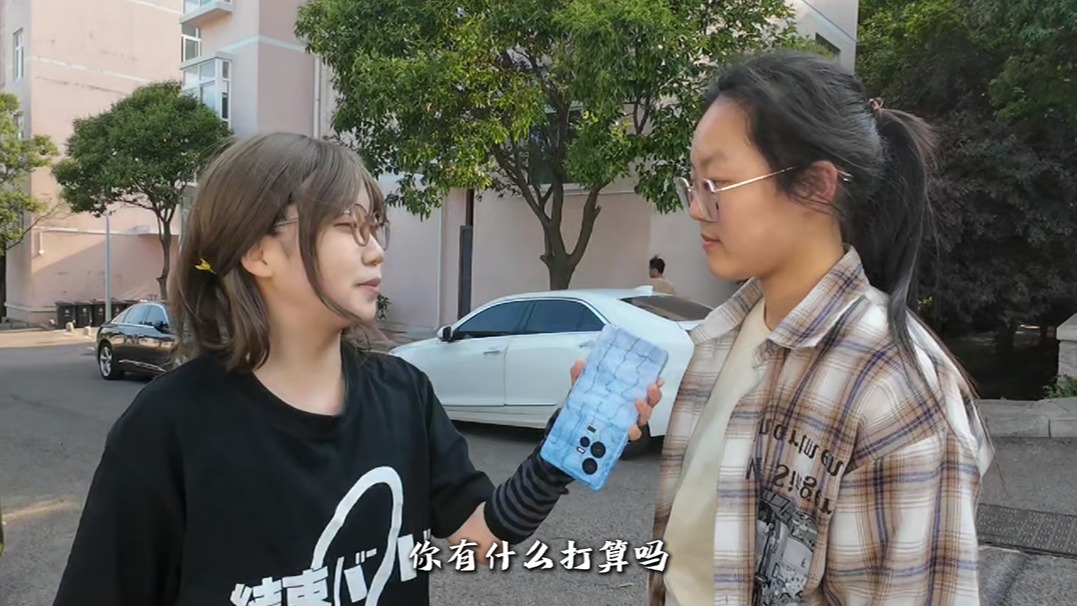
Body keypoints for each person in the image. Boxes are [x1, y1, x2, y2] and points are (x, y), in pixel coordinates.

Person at [52, 132, 661, 606]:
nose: (376, 251)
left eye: (375, 229)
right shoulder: (168, 428)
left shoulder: (403, 394)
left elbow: (477, 540)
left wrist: (559, 453)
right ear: (257, 251)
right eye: (348, 227)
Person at [649, 51, 994, 605]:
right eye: (691, 183)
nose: (695, 207)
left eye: (716, 182)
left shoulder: (896, 388)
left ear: (816, 185)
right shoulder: (718, 341)